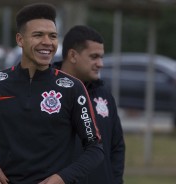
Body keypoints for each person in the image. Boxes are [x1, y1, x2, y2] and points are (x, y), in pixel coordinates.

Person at [0, 3, 104, 184]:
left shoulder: (72, 88)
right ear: (20, 40)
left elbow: (95, 148)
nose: (47, 42)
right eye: (38, 35)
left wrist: (63, 178)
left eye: (52, 36)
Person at [55, 25, 125, 184]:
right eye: (94, 57)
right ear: (73, 55)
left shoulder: (104, 95)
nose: (100, 64)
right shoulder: (46, 93)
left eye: (101, 57)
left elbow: (117, 147)